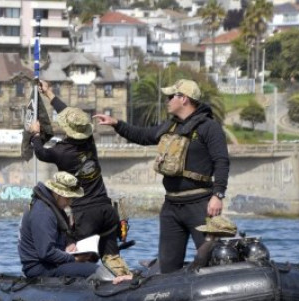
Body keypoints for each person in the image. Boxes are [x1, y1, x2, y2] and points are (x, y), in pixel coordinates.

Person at [93, 78, 230, 274]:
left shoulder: (209, 128)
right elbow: (143, 136)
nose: (167, 100)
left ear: (184, 99)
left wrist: (218, 195)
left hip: (200, 205)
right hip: (171, 208)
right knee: (168, 265)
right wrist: (116, 124)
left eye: (170, 96)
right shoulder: (170, 126)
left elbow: (222, 161)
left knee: (211, 258)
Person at [27, 80, 128, 276]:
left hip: (85, 215)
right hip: (107, 210)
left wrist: (35, 134)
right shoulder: (89, 140)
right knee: (111, 257)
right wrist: (49, 93)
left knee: (82, 261)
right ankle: (122, 278)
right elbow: (71, 116)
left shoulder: (62, 152)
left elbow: (39, 152)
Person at [18, 171, 98, 278]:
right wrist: (74, 259)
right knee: (95, 270)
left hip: (50, 264)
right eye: (67, 198)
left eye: (72, 198)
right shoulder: (43, 212)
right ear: (57, 194)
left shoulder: (53, 208)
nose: (70, 203)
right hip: (39, 269)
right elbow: (46, 252)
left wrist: (69, 245)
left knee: (91, 264)